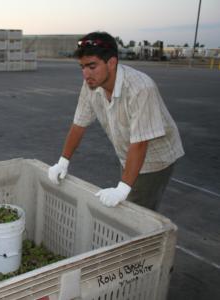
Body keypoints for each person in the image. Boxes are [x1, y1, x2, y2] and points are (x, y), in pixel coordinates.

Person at [48, 31, 184, 210]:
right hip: (129, 154)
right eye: (82, 67)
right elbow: (79, 124)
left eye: (92, 66)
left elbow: (141, 143)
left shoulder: (140, 88)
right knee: (126, 203)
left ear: (111, 62)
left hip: (155, 158)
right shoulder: (91, 84)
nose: (86, 74)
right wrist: (62, 162)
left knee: (135, 212)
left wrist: (122, 189)